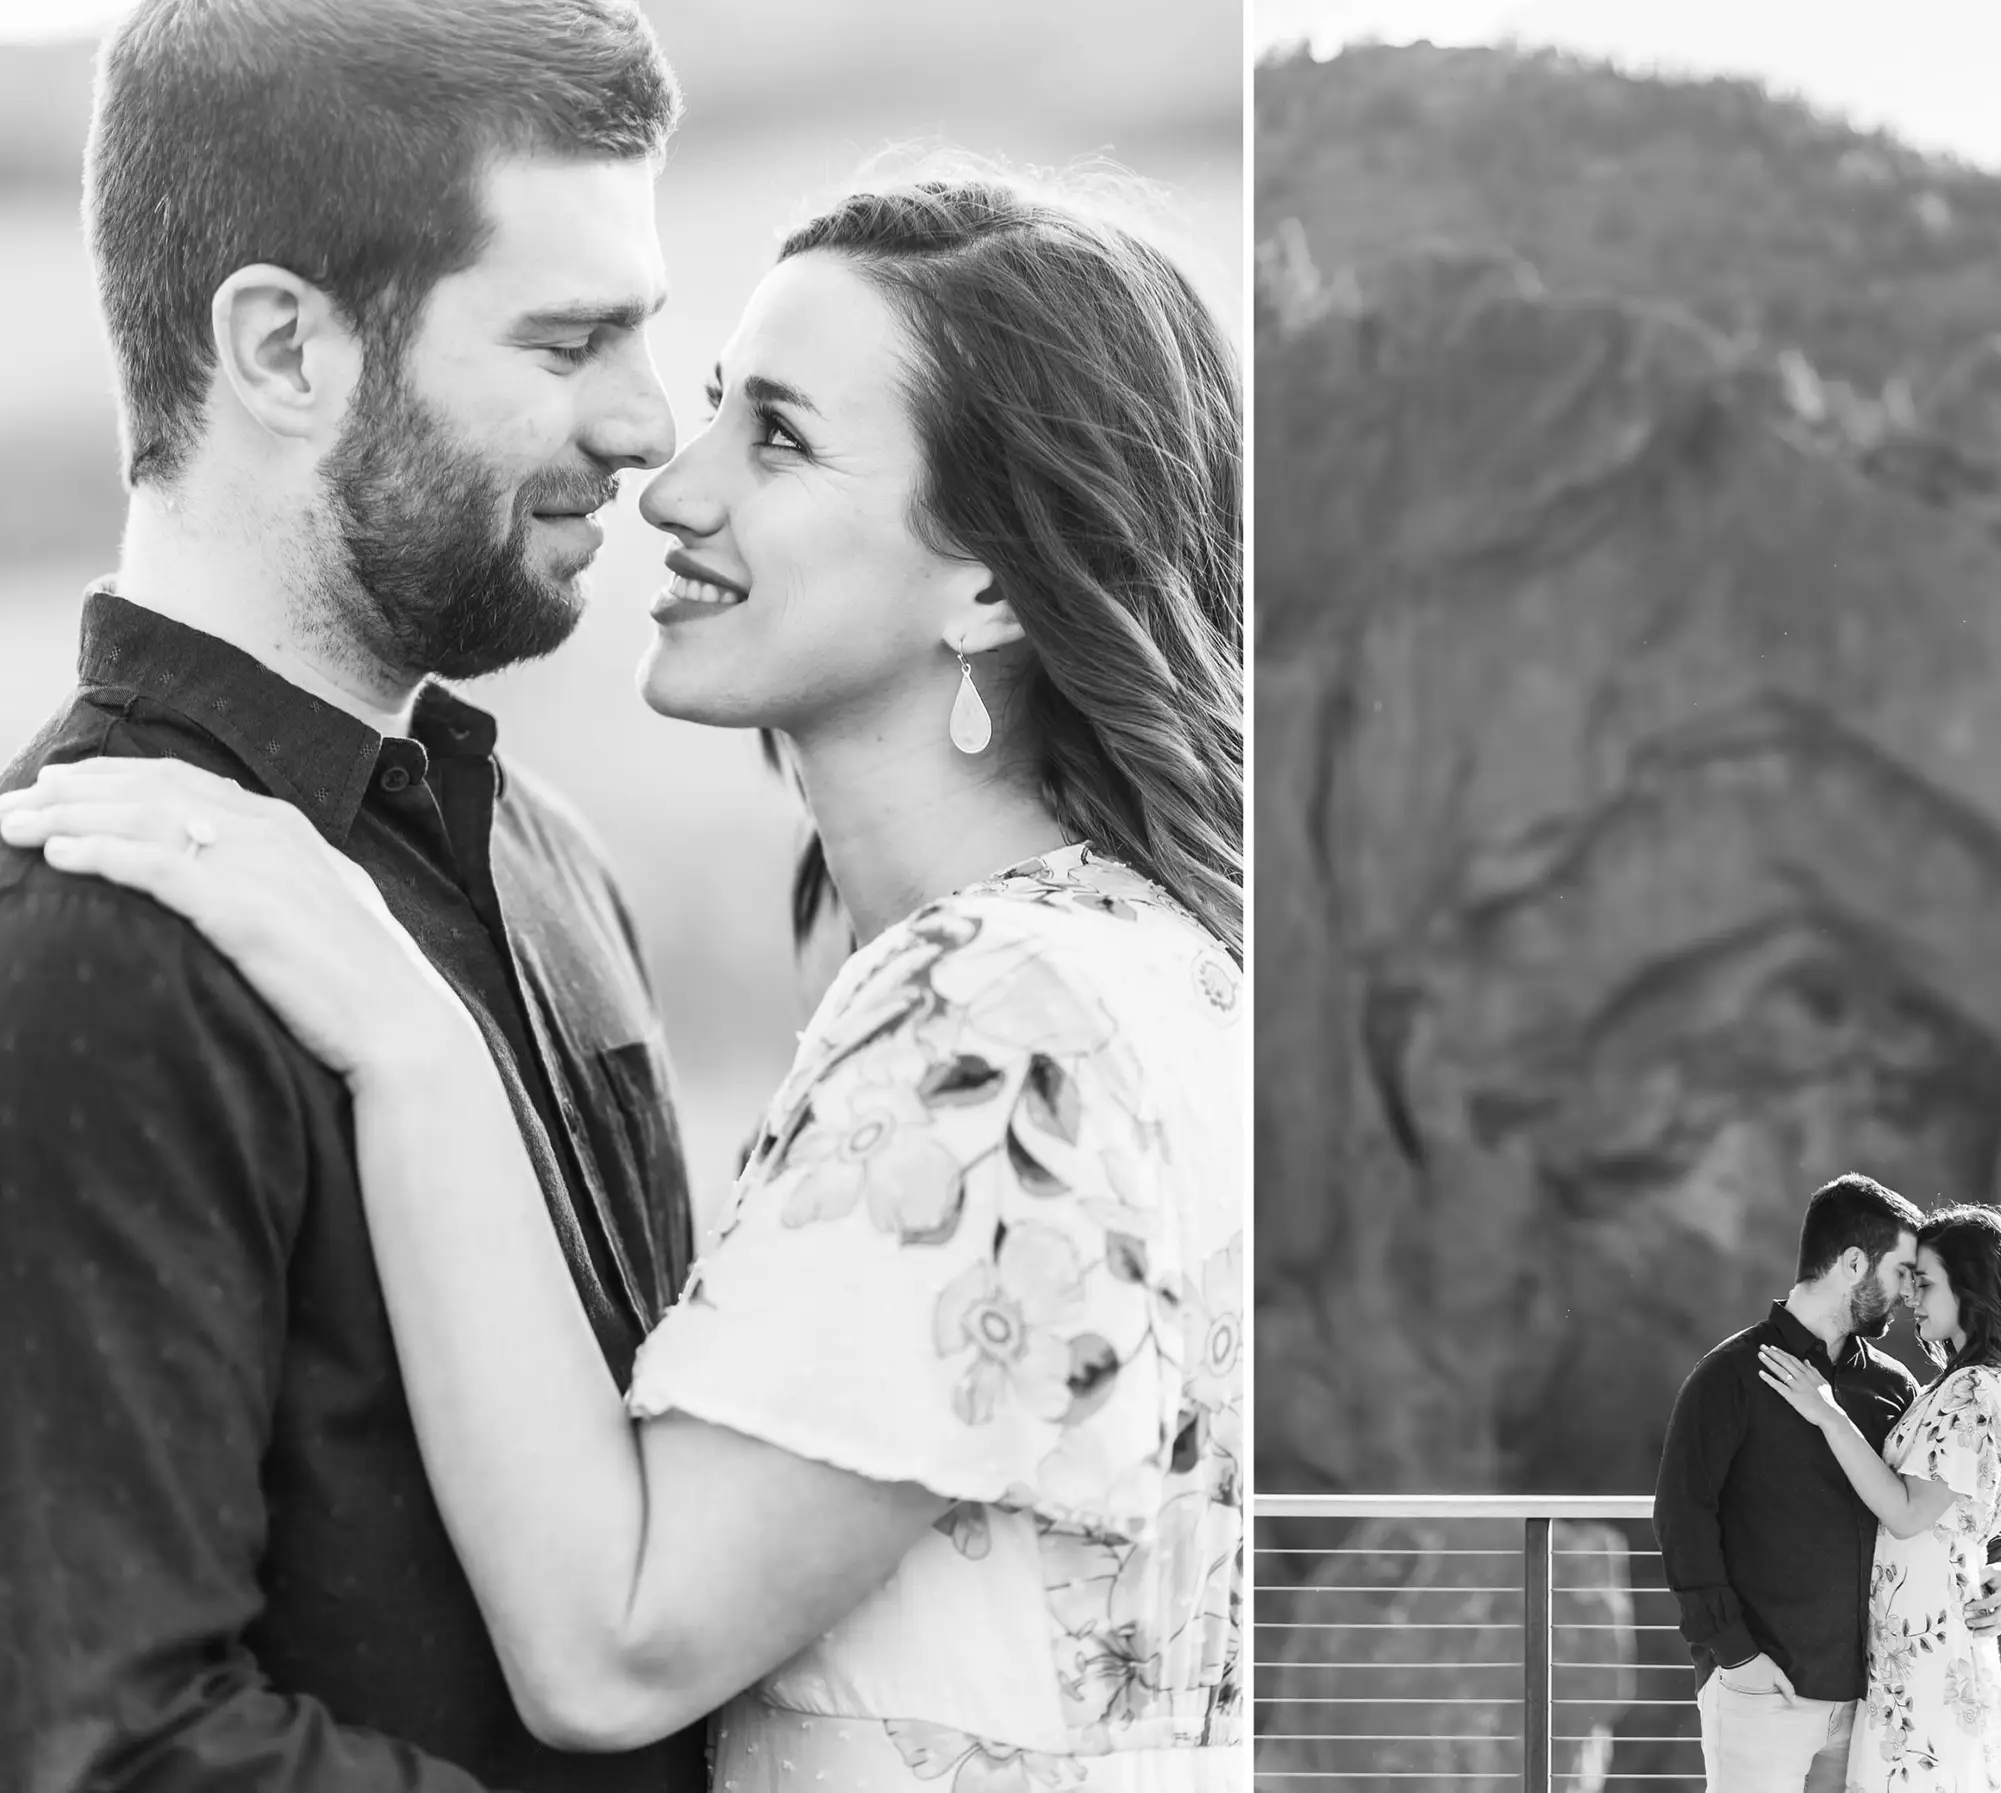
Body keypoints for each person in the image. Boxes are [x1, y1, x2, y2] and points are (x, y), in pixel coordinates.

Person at [3, 161, 1248, 1793]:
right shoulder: (1137, 965)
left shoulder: (1001, 1021)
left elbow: (615, 1647)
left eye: (779, 437)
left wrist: (408, 1034)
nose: (671, 476)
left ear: (994, 582)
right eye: (720, 402)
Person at [0, 3, 698, 1789]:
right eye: (567, 338)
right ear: (285, 348)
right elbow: (118, 1745)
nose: (645, 422)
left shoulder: (541, 856)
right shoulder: (90, 936)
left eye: (649, 332)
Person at [1653, 1174, 2001, 1793]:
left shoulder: (1895, 1387)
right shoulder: (1730, 1377)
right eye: (1904, 1270)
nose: (1909, 1291)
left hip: (1872, 1704)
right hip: (1762, 1694)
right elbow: (1680, 1520)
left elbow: (1952, 1501)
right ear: (1854, 1262)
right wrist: (1735, 1656)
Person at [1758, 1204, 2001, 1793]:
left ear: (1970, 1287)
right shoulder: (1963, 1383)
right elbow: (1962, 1517)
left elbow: (1908, 1512)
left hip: (1930, 1640)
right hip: (1918, 1633)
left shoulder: (1976, 1388)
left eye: (1926, 1282)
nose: (1911, 1297)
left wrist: (1826, 1412)